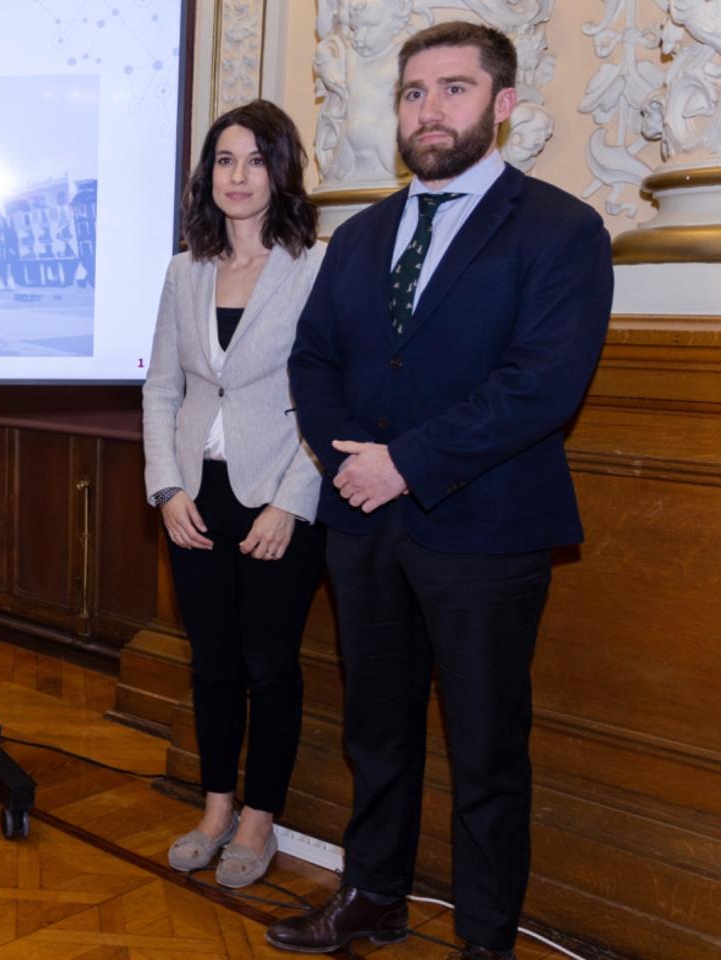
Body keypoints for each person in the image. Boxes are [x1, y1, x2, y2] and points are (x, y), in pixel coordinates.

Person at [271, 22, 612, 960]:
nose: (430, 110)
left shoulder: (560, 229)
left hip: (488, 534)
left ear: (502, 105)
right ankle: (374, 897)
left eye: (454, 90)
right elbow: (316, 358)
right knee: (376, 736)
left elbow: (542, 384)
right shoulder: (364, 233)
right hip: (363, 527)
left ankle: (487, 941)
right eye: (415, 92)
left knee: (486, 756)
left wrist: (403, 462)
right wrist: (349, 459)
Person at [142, 100, 327, 891]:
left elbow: (332, 397)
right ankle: (216, 808)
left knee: (269, 665)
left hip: (278, 498)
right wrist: (165, 486)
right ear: (207, 174)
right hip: (197, 497)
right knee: (213, 662)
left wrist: (293, 500)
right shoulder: (185, 269)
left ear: (280, 170)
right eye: (224, 159)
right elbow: (161, 388)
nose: (238, 175)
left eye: (255, 159)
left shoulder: (316, 267)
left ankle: (260, 820)